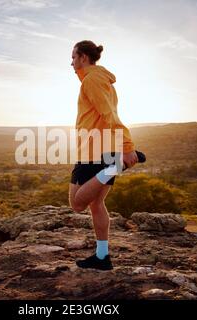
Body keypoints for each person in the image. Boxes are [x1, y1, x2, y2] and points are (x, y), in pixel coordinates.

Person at [69, 40, 146, 270]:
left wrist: (127, 145)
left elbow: (109, 113)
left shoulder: (92, 79)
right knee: (96, 204)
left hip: (96, 151)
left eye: (73, 57)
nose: (71, 62)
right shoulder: (100, 79)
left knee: (77, 203)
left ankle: (115, 167)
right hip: (99, 148)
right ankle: (102, 256)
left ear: (83, 57)